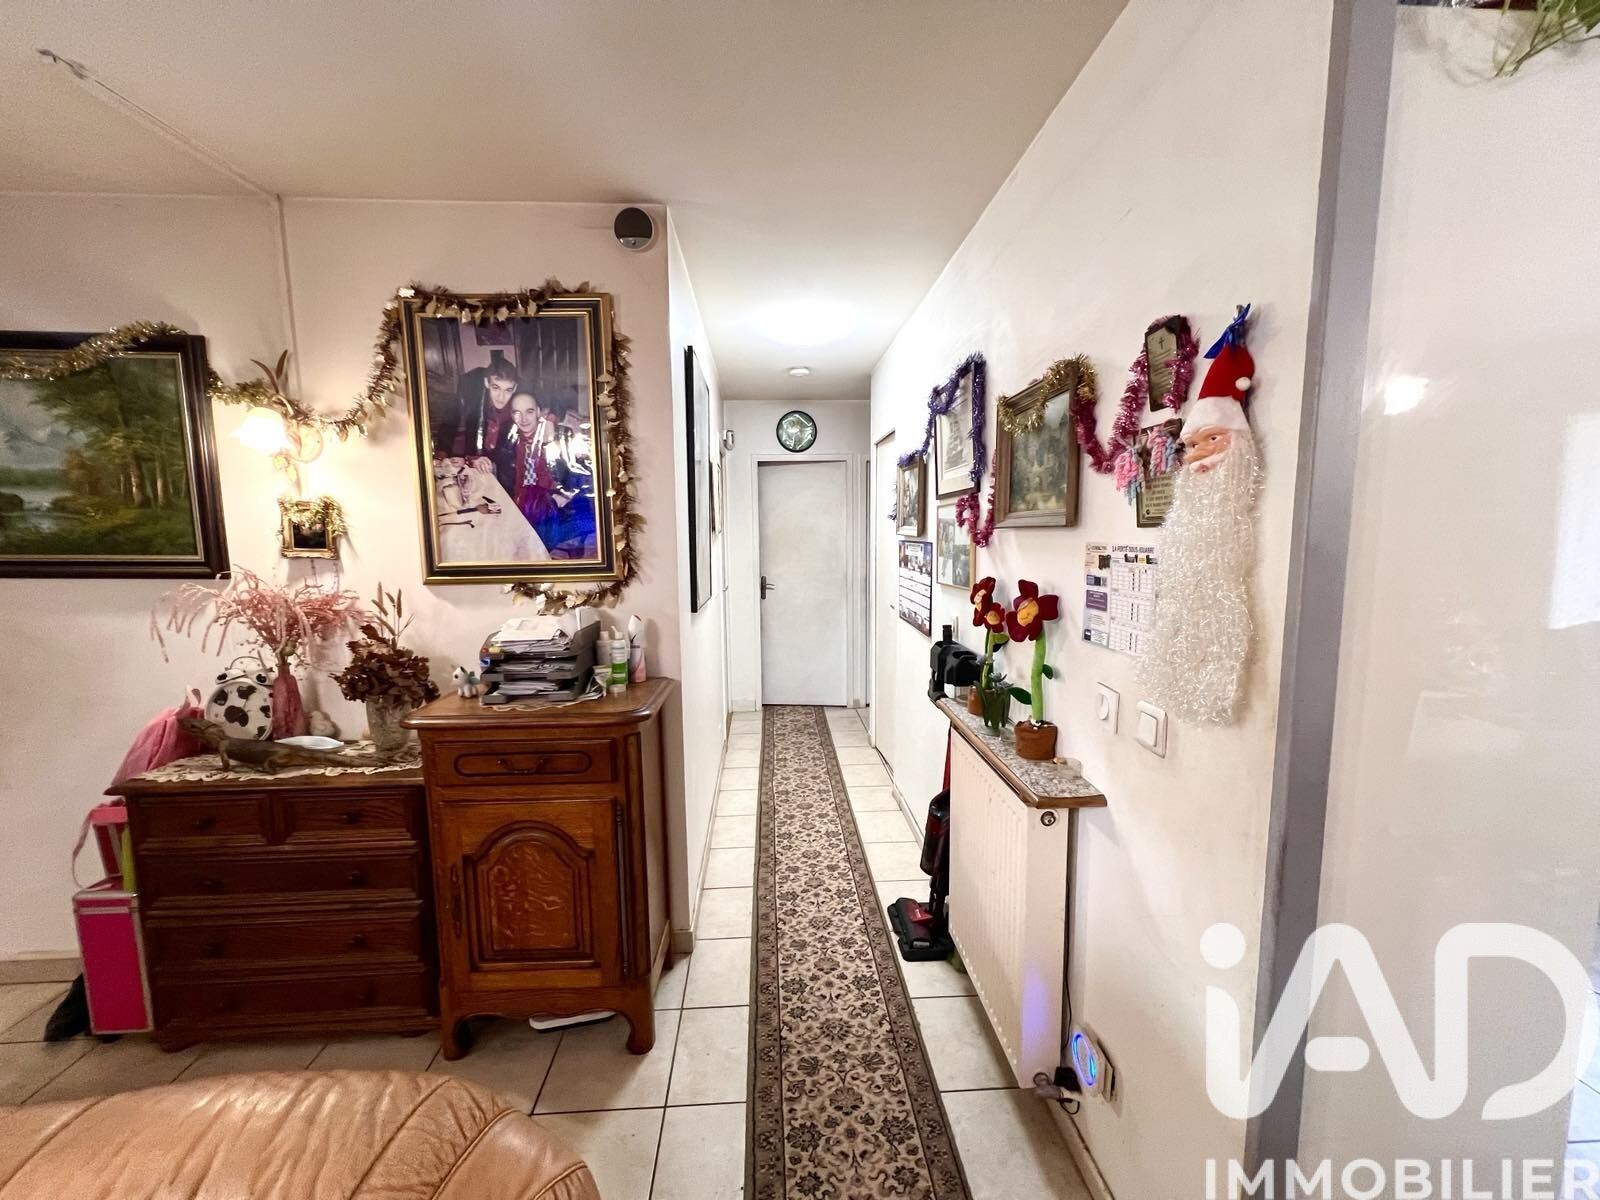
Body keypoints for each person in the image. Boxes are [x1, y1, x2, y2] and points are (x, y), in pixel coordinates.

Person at [433, 348, 519, 463]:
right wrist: (442, 451)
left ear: (515, 388)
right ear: (486, 383)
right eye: (496, 388)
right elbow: (450, 421)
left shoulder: (519, 403)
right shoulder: (471, 392)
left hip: (501, 460)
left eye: (508, 390)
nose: (501, 397)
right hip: (473, 457)